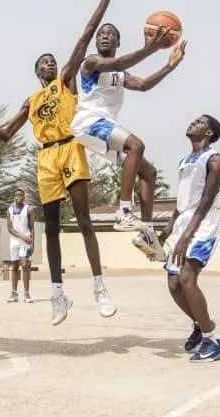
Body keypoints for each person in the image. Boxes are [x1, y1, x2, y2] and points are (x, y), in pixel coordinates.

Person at [0, 0, 129, 326]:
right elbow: (6, 133)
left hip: (70, 147)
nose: (51, 63)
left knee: (84, 220)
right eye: (45, 62)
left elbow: (85, 36)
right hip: (46, 158)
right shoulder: (33, 99)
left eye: (53, 60)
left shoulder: (66, 81)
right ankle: (57, 295)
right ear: (37, 71)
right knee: (50, 228)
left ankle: (99, 287)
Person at [70, 18, 185, 257]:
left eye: (111, 33)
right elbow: (120, 61)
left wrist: (169, 66)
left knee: (149, 172)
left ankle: (148, 234)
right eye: (101, 32)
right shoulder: (91, 62)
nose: (104, 35)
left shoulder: (120, 74)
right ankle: (123, 211)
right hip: (89, 122)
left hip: (104, 127)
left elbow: (142, 84)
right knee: (136, 145)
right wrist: (150, 48)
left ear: (118, 41)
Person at [160, 114, 220, 363]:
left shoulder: (215, 159)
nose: (192, 123)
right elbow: (182, 202)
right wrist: (168, 230)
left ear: (209, 132)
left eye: (199, 122)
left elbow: (206, 201)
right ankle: (200, 324)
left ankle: (212, 340)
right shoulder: (184, 161)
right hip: (184, 221)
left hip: (205, 222)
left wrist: (187, 235)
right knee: (173, 284)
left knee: (187, 277)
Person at [6, 188, 35, 303]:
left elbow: (32, 227)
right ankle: (14, 293)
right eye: (17, 195)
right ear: (14, 197)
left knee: (25, 264)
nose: (19, 197)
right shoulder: (10, 210)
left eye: (21, 195)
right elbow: (9, 228)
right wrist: (21, 236)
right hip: (14, 241)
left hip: (25, 241)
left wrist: (32, 243)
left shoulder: (29, 209)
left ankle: (27, 294)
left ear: (24, 197)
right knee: (14, 266)